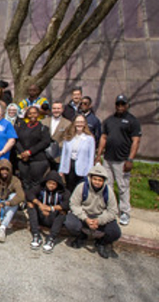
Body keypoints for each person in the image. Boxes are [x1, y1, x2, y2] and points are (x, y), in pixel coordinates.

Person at [96, 94, 142, 226]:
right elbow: (104, 138)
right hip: (108, 159)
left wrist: (130, 159)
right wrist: (99, 155)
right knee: (107, 186)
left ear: (127, 105)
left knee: (123, 187)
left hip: (122, 160)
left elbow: (136, 141)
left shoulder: (132, 121)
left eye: (123, 104)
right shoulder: (109, 120)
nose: (120, 106)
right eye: (118, 104)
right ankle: (110, 209)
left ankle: (125, 212)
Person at [66, 164, 121, 259]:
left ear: (104, 181)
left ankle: (101, 243)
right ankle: (82, 236)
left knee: (115, 232)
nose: (97, 182)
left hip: (100, 216)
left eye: (100, 180)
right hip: (84, 215)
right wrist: (85, 218)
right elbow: (74, 204)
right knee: (70, 223)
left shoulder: (108, 191)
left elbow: (112, 211)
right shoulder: (82, 187)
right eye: (95, 179)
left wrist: (99, 220)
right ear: (90, 178)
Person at [26, 171, 70, 253]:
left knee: (63, 212)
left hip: (54, 216)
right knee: (30, 204)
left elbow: (66, 204)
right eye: (49, 183)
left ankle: (51, 238)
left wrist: (51, 208)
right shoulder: (40, 187)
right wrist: (40, 205)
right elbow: (29, 194)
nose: (51, 186)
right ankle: (36, 235)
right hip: (41, 215)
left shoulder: (63, 192)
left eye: (54, 184)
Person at [15, 106, 51, 194]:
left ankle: (33, 201)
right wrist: (23, 153)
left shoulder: (43, 128)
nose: (32, 115)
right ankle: (26, 201)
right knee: (25, 182)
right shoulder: (22, 126)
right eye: (30, 113)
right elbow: (17, 140)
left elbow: (45, 142)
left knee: (35, 183)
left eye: (34, 113)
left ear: (38, 114)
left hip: (37, 160)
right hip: (23, 159)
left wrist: (30, 152)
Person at [59, 114, 96, 193]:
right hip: (70, 166)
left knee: (81, 189)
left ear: (85, 124)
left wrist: (90, 170)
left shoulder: (89, 139)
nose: (79, 124)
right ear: (74, 123)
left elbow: (91, 156)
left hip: (83, 168)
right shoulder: (68, 137)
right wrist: (61, 169)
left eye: (82, 122)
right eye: (78, 122)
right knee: (69, 188)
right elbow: (64, 154)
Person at [41, 101, 72, 170]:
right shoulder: (43, 121)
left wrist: (55, 148)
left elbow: (67, 138)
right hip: (44, 156)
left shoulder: (67, 123)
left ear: (62, 110)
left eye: (58, 108)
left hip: (58, 157)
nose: (56, 110)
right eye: (54, 108)